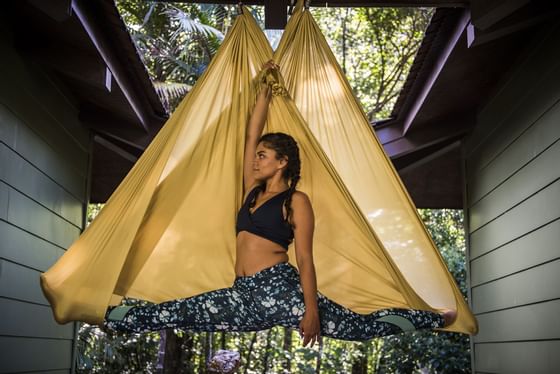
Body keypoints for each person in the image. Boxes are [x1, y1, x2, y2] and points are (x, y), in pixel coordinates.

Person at [103, 61, 456, 346]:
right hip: (242, 296)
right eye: (256, 156)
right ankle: (115, 318)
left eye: (264, 156)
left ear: (282, 161)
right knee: (183, 311)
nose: (255, 160)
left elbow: (304, 258)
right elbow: (249, 138)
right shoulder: (251, 192)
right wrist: (264, 96)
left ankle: (432, 318)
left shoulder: (296, 201)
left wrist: (312, 311)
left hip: (281, 290)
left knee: (358, 329)